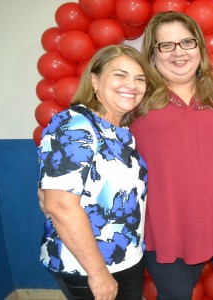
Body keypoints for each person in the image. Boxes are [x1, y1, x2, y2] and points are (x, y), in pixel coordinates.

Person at [37, 44, 151, 300]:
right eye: (120, 75)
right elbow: (61, 206)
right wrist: (98, 272)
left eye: (139, 78)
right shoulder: (75, 125)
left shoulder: (118, 130)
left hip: (125, 257)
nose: (131, 84)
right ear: (95, 81)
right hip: (88, 265)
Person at [129, 12, 213, 299]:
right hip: (159, 223)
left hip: (205, 220)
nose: (179, 52)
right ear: (152, 53)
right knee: (177, 295)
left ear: (199, 47)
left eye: (187, 42)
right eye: (167, 45)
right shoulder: (136, 98)